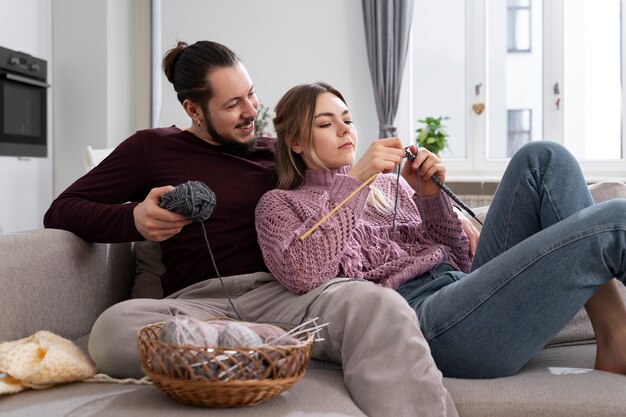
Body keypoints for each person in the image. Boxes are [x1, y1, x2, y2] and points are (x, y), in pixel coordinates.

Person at [44, 41, 459, 417]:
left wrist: (434, 206)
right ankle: (264, 341)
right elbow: (62, 210)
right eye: (232, 105)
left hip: (287, 295)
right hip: (198, 305)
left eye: (251, 94)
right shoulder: (150, 149)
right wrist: (133, 218)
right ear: (193, 109)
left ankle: (263, 340)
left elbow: (344, 194)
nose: (251, 111)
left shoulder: (278, 151)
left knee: (376, 304)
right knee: (111, 333)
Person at [255, 81, 626, 380]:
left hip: (463, 296)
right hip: (428, 326)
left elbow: (460, 265)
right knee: (617, 220)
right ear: (295, 142)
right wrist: (356, 182)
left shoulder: (391, 186)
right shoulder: (278, 205)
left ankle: (614, 333)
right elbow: (305, 272)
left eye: (348, 120)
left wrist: (430, 198)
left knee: (544, 158)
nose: (344, 130)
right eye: (325, 124)